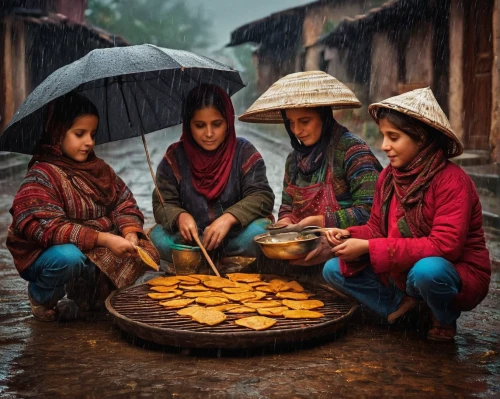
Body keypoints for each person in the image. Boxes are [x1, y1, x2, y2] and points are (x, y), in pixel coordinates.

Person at [320, 88, 491, 342]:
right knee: (333, 269)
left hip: (452, 271)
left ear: (420, 138)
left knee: (427, 271)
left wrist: (367, 247)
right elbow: (376, 229)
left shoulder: (452, 181)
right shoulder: (388, 178)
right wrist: (348, 235)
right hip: (402, 271)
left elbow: (445, 247)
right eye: (383, 136)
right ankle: (403, 309)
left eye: (393, 137)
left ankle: (443, 318)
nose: (384, 146)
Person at [7, 92, 160, 322]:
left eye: (93, 134)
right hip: (47, 254)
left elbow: (124, 202)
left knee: (144, 249)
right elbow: (50, 230)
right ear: (58, 133)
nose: (89, 142)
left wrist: (129, 233)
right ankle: (41, 295)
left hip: (89, 247)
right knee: (69, 258)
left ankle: (85, 295)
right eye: (79, 134)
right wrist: (105, 239)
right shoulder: (41, 176)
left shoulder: (99, 169)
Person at [239, 71, 382, 237]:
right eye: (291, 123)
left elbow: (370, 211)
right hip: (304, 241)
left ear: (324, 116)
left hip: (347, 243)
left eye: (305, 121)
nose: (297, 131)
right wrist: (285, 220)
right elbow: (287, 205)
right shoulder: (294, 160)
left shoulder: (352, 150)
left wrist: (320, 222)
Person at [149, 84, 274, 267]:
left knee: (258, 234)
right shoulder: (174, 157)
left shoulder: (244, 152)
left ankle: (207, 264)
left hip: (234, 238)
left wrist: (229, 218)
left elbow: (262, 196)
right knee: (157, 237)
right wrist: (180, 216)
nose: (209, 134)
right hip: (191, 242)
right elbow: (162, 203)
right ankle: (201, 260)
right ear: (188, 124)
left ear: (228, 122)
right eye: (200, 125)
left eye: (217, 124)